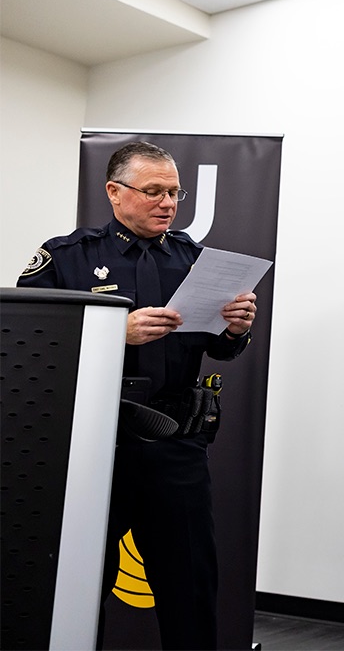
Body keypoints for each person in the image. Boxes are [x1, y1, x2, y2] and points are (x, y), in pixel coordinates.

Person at [18, 141, 258, 650]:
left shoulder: (197, 261)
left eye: (174, 192)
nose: (168, 202)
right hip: (92, 449)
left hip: (175, 445)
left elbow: (222, 348)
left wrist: (235, 329)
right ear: (114, 192)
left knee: (190, 588)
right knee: (75, 589)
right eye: (153, 191)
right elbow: (30, 344)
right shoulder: (67, 257)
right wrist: (114, 333)